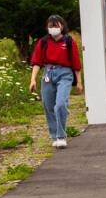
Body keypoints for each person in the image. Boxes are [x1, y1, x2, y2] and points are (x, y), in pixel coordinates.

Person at [28, 15, 83, 149]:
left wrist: (79, 82)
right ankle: (55, 135)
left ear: (62, 26)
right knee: (48, 105)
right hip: (48, 74)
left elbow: (76, 63)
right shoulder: (43, 42)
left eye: (56, 26)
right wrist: (33, 79)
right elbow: (37, 62)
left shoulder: (69, 42)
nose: (54, 28)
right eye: (51, 26)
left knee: (60, 105)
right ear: (47, 28)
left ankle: (61, 136)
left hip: (64, 73)